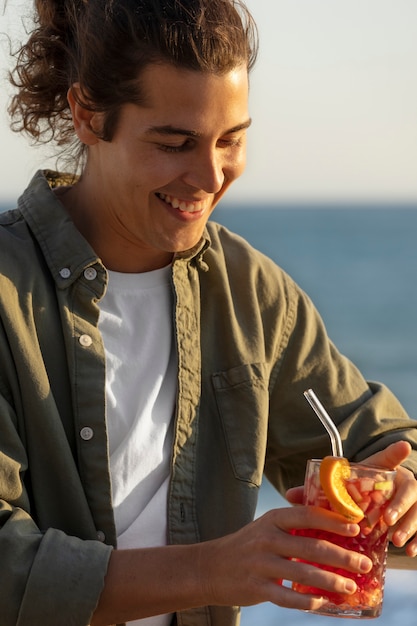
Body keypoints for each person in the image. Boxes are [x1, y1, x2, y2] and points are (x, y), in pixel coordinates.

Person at [1, 1, 417, 625]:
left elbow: (379, 442)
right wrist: (215, 569)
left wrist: (405, 489)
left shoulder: (251, 291)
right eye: (175, 143)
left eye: (232, 140)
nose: (210, 175)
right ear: (87, 113)